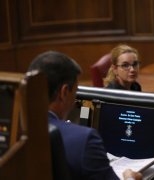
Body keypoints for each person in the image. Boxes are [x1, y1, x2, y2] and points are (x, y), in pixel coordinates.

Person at [27, 51, 142, 180]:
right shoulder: (84, 139)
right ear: (64, 92)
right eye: (75, 91)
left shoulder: (14, 131)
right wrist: (130, 178)